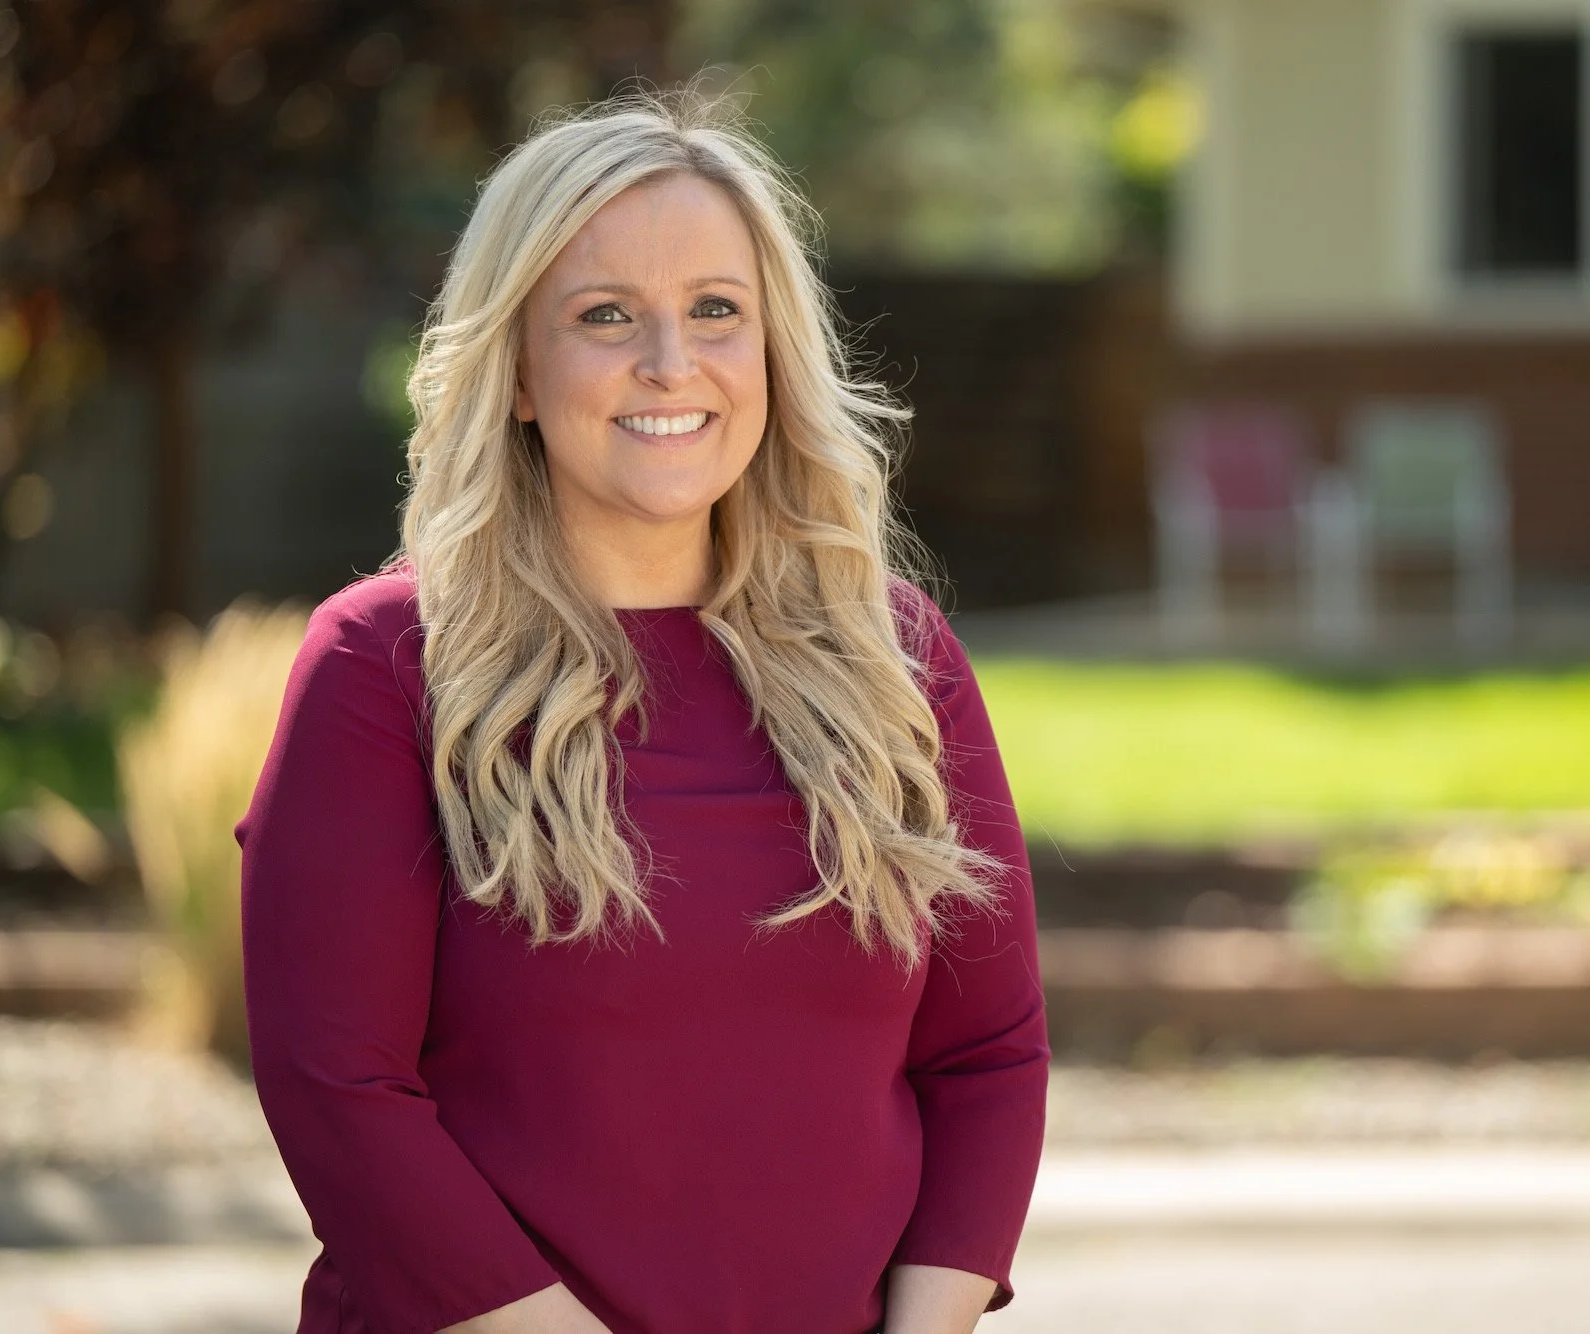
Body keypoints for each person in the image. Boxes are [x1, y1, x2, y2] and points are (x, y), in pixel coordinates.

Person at [235, 87, 1049, 1334]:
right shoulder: (384, 664)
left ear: (772, 348)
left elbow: (984, 1057)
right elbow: (338, 1086)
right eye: (605, 316)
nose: (670, 365)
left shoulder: (894, 656)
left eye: (715, 311)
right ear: (513, 369)